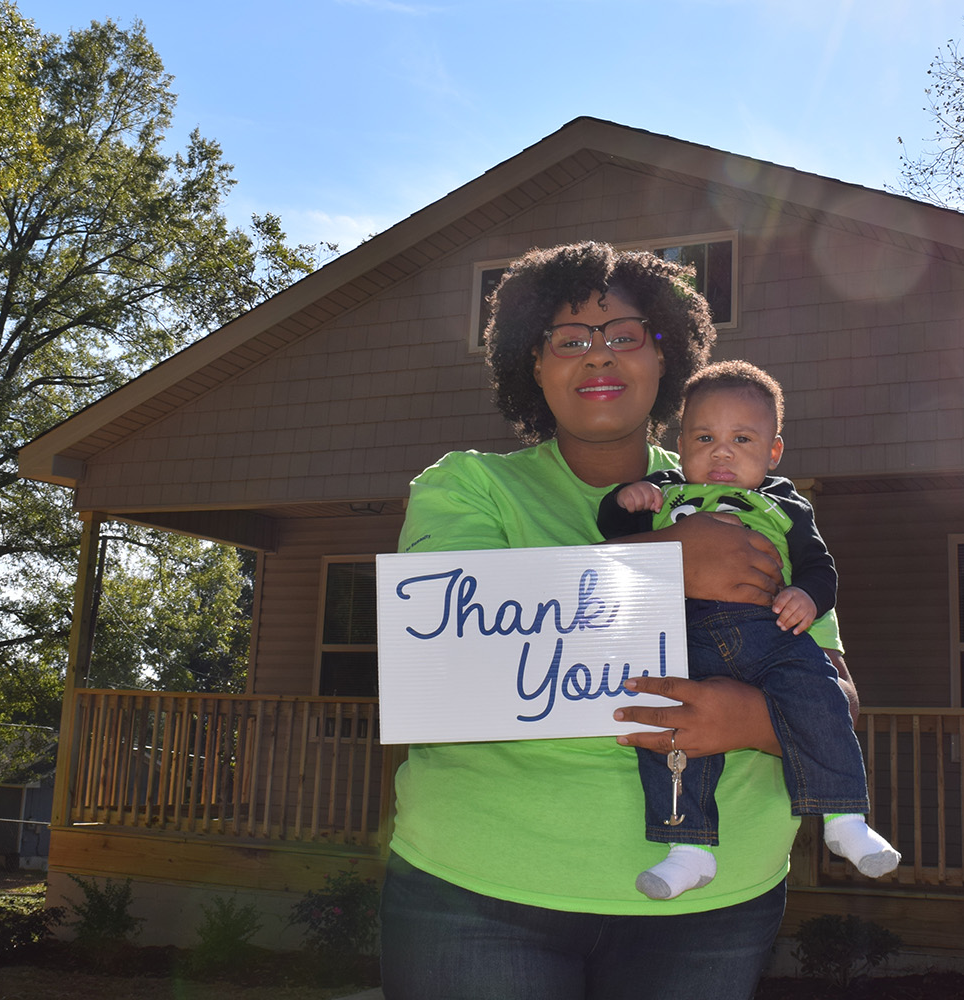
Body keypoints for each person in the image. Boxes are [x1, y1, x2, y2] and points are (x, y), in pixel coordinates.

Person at [380, 241, 858, 1000]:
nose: (597, 356)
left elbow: (840, 695)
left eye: (624, 335)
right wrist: (673, 561)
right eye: (569, 340)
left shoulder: (749, 498)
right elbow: (446, 668)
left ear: (668, 358)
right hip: (481, 889)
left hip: (713, 900)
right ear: (531, 365)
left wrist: (753, 719)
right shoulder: (467, 486)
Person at [596, 360, 899, 900]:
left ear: (773, 452)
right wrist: (625, 504)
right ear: (680, 443)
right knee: (668, 734)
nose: (722, 452)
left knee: (818, 695)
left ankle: (843, 817)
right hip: (683, 637)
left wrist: (806, 595)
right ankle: (687, 849)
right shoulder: (664, 490)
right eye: (705, 437)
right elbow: (613, 545)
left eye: (742, 439)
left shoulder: (787, 504)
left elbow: (818, 566)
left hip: (771, 631)